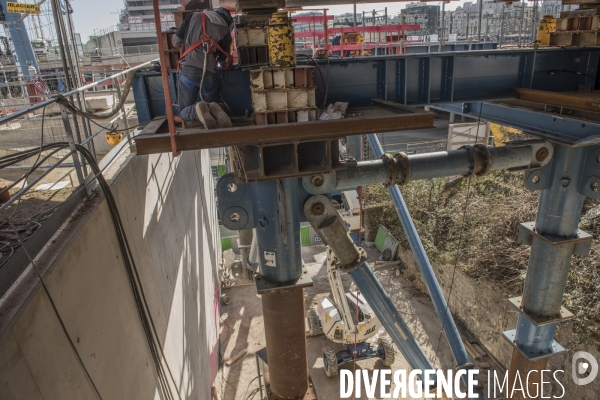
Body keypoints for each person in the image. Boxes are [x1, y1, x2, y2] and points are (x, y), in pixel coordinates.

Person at [172, 7, 233, 128]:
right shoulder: (225, 31)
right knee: (212, 105)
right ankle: (212, 108)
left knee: (183, 112)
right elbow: (222, 59)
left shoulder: (193, 16)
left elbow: (176, 42)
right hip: (209, 73)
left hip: (189, 71)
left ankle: (196, 110)